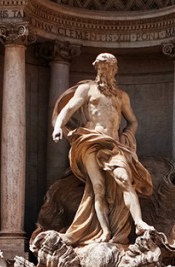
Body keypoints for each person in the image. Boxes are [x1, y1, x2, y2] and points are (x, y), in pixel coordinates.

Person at [51, 53, 154, 246]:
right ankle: (105, 231)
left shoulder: (121, 96)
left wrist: (127, 135)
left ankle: (139, 223)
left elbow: (132, 121)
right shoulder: (86, 89)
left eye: (108, 67)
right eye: (101, 67)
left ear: (114, 69)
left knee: (124, 179)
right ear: (96, 68)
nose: (104, 70)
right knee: (98, 187)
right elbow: (69, 109)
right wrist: (58, 127)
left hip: (114, 145)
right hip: (90, 141)